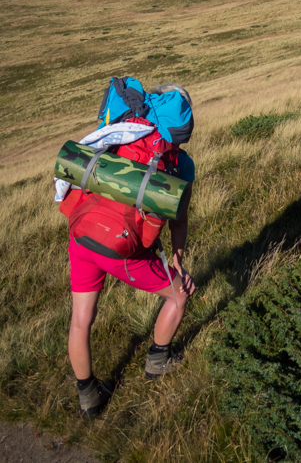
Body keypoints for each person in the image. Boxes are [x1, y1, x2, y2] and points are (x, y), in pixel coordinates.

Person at [61, 82, 196, 417]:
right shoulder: (177, 162)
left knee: (81, 320)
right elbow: (178, 222)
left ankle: (89, 397)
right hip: (120, 248)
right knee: (179, 296)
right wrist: (177, 263)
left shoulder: (116, 133)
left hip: (80, 235)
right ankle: (157, 360)